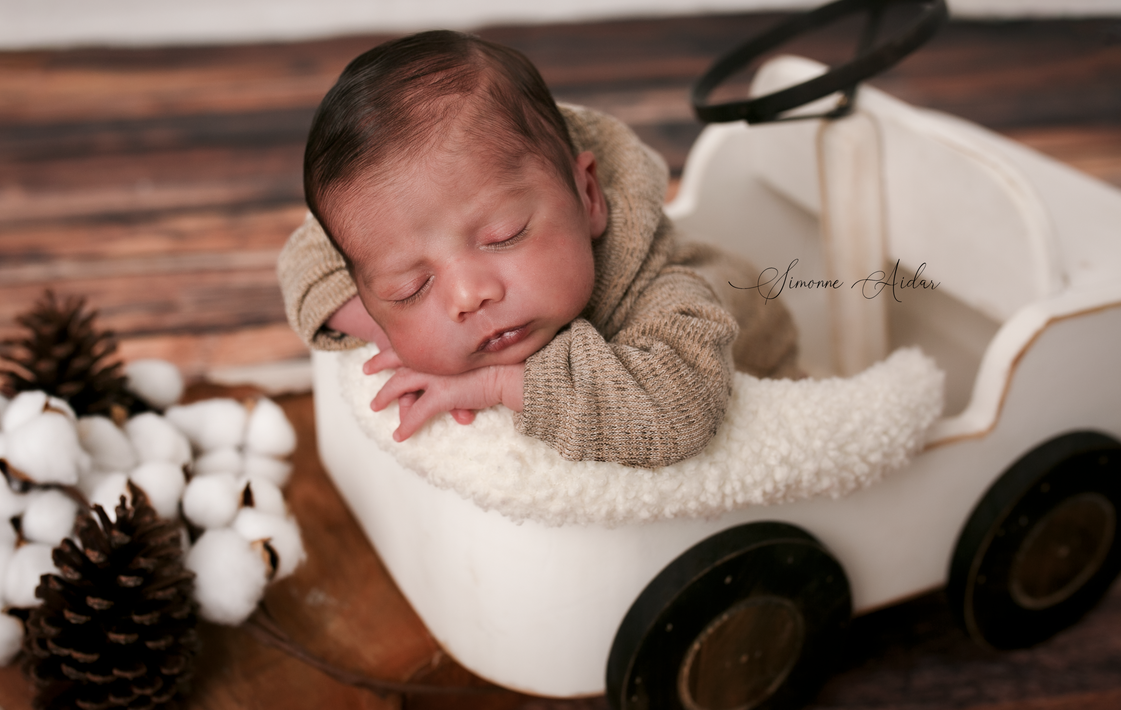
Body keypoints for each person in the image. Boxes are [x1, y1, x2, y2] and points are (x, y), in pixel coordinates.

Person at [278, 30, 799, 468]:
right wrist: (395, 329)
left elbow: (675, 414)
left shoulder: (661, 287)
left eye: (503, 236)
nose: (468, 295)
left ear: (588, 196)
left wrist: (501, 383)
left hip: (768, 378)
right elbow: (305, 257)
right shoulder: (396, 244)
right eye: (411, 286)